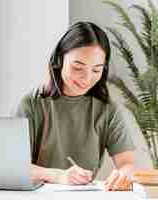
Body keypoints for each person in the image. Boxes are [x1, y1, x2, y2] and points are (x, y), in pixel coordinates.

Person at [15, 21, 135, 191]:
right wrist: (59, 175)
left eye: (96, 70)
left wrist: (124, 174)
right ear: (59, 59)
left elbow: (127, 163)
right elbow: (14, 167)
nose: (86, 79)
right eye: (78, 67)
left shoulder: (107, 109)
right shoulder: (32, 104)